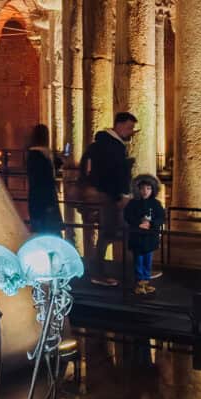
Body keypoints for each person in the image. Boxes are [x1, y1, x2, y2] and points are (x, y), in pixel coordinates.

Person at [81, 111, 137, 286]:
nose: (130, 132)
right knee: (110, 233)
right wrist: (123, 195)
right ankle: (102, 273)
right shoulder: (114, 147)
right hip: (110, 197)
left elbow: (86, 167)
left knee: (111, 233)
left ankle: (128, 271)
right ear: (119, 126)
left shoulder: (98, 144)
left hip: (104, 195)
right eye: (129, 128)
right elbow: (116, 173)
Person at [124, 175, 165, 295]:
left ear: (153, 190)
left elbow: (161, 217)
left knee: (148, 260)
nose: (145, 191)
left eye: (148, 188)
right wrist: (138, 223)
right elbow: (127, 216)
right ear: (138, 189)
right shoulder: (132, 203)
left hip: (150, 237)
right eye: (142, 188)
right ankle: (139, 282)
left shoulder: (156, 204)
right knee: (138, 261)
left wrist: (151, 224)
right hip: (137, 236)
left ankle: (146, 282)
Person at [26, 124, 63, 234]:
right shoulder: (38, 156)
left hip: (39, 200)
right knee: (48, 232)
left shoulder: (41, 155)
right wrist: (49, 204)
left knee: (43, 232)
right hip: (44, 201)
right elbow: (42, 180)